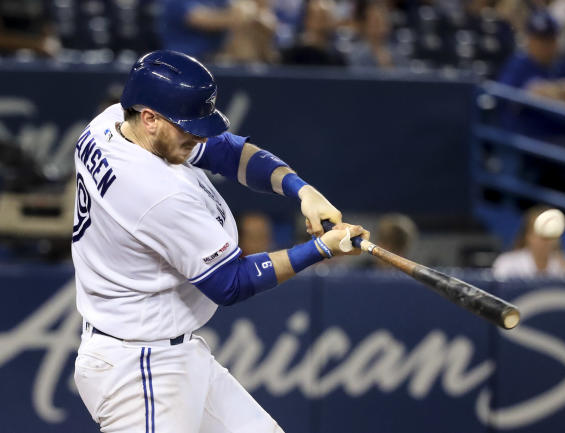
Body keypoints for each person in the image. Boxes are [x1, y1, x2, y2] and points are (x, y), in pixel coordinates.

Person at [71, 50, 369, 433]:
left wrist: (302, 190)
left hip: (166, 352)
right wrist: (321, 249)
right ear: (149, 119)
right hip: (140, 370)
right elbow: (231, 283)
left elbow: (224, 150)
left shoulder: (112, 121)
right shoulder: (155, 194)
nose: (199, 135)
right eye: (187, 125)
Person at [492, 206, 565, 278]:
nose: (545, 241)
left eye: (550, 234)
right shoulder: (507, 264)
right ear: (527, 236)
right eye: (539, 235)